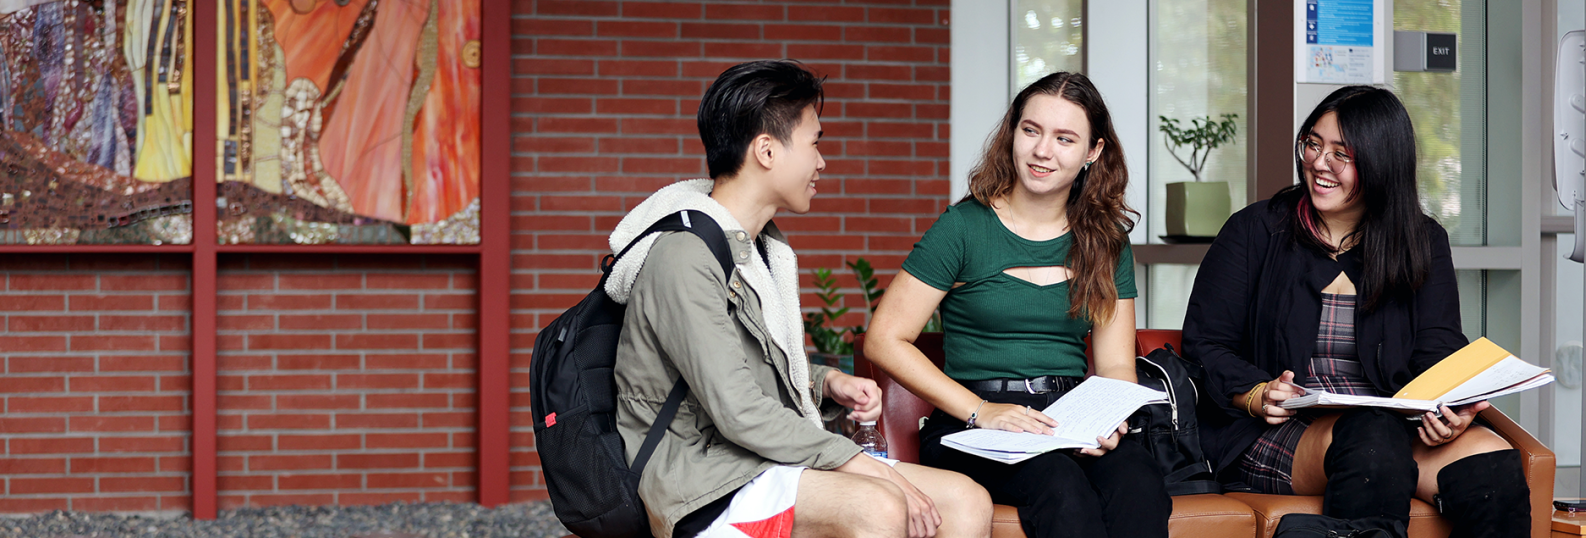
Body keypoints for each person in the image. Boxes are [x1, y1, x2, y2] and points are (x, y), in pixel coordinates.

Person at [610, 60, 993, 538]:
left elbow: (742, 368)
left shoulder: (760, 250)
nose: (821, 161)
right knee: (877, 505)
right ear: (767, 151)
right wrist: (868, 467)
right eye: (815, 142)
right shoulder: (684, 258)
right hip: (701, 481)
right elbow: (738, 409)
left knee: (965, 500)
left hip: (752, 459)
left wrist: (826, 382)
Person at [1182, 85, 1528, 537]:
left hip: (1390, 424)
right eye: (1313, 143)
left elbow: (1438, 349)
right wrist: (1255, 392)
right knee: (1372, 441)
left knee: (1492, 468)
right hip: (1277, 429)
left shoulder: (1422, 241)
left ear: (1382, 163)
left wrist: (1451, 408)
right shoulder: (1255, 230)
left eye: (1341, 153)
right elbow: (1206, 343)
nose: (1319, 163)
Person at [864, 72, 1171, 538]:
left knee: (1139, 482)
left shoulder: (1107, 241)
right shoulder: (963, 227)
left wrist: (1107, 420)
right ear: (1013, 133)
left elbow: (1114, 365)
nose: (1042, 151)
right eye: (1031, 131)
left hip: (1067, 417)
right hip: (973, 423)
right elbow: (884, 339)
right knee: (1060, 486)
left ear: (1093, 152)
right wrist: (980, 410)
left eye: (1065, 138)